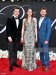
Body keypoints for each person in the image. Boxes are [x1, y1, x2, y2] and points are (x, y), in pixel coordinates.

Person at [37, 7, 51, 71]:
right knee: (41, 52)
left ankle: (47, 65)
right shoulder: (37, 19)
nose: (43, 13)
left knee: (46, 52)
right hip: (39, 39)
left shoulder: (48, 20)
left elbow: (49, 30)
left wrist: (47, 39)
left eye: (44, 12)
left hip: (45, 39)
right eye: (42, 12)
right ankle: (42, 63)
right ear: (40, 12)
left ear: (46, 13)